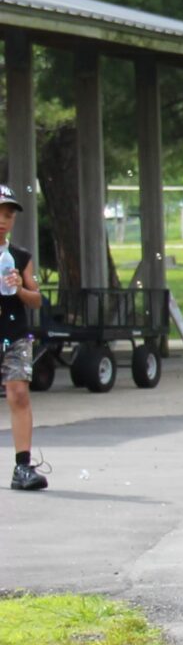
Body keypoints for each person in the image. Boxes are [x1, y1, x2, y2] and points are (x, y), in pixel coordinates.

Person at [1, 185, 44, 491]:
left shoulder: (20, 257)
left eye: (8, 215)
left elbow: (37, 299)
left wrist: (18, 287)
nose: (3, 220)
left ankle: (23, 467)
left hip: (15, 335)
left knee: (18, 393)